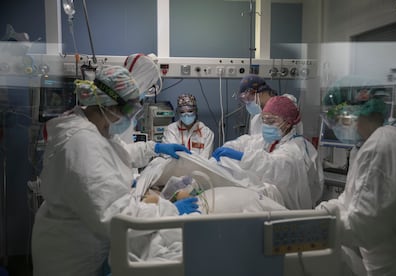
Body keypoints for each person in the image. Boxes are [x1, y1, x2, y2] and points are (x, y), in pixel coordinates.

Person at [31, 65, 200, 276]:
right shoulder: (82, 142)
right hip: (71, 257)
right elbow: (117, 215)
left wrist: (154, 148)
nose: (131, 117)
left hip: (82, 238)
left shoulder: (94, 128)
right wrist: (170, 211)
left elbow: (118, 152)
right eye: (130, 110)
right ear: (108, 104)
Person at [316, 93, 396, 275]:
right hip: (382, 256)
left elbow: (364, 227)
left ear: (355, 113)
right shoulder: (376, 140)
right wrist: (324, 211)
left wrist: (319, 225)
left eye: (338, 119)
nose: (338, 127)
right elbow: (351, 198)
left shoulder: (384, 144)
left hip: (394, 262)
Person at [212, 96, 324, 209]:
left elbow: (275, 165)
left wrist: (243, 157)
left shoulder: (297, 148)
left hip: (292, 211)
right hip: (274, 206)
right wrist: (229, 148)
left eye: (271, 121)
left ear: (288, 123)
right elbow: (247, 142)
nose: (265, 125)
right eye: (263, 120)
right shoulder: (272, 140)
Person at [162, 93, 214, 159]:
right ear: (178, 112)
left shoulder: (206, 133)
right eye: (182, 112)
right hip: (176, 168)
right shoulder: (171, 130)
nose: (186, 115)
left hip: (198, 168)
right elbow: (169, 156)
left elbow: (205, 159)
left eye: (190, 111)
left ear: (196, 111)